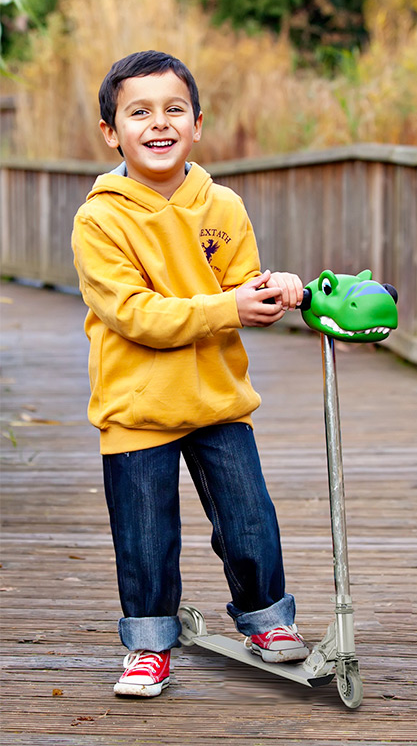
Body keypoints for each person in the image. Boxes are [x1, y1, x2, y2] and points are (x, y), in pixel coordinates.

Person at [72, 50, 310, 698]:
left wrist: (275, 288)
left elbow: (243, 291)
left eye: (174, 109)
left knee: (249, 520)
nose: (159, 123)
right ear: (110, 131)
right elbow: (132, 313)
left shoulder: (223, 206)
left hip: (217, 397)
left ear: (197, 123)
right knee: (145, 537)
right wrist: (225, 305)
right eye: (139, 112)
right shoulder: (101, 218)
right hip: (136, 403)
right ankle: (149, 645)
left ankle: (265, 618)